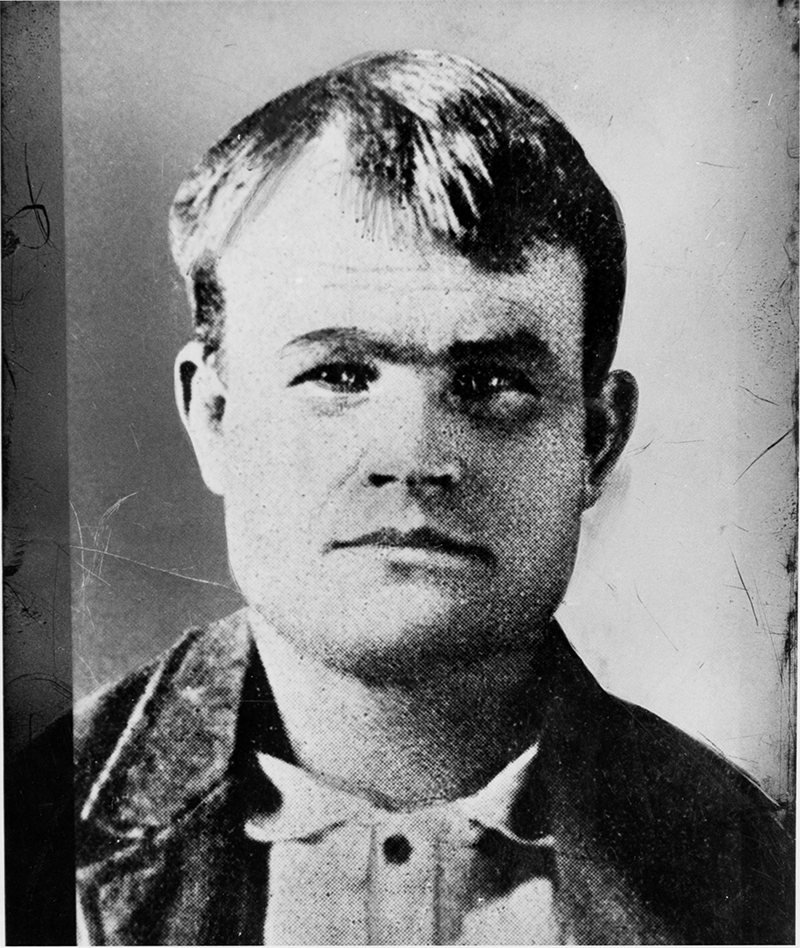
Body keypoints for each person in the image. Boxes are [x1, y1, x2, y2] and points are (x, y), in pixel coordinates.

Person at [12, 50, 793, 945]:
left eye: (493, 381)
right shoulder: (25, 827)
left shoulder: (764, 861)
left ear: (595, 439)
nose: (415, 457)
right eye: (340, 373)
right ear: (214, 415)